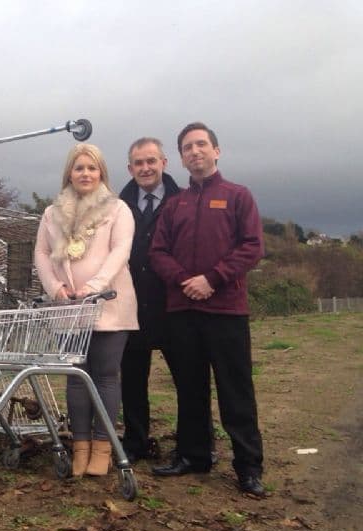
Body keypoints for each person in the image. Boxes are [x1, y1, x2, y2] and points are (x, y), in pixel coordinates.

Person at [149, 122, 265, 496]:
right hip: (183, 312)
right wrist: (186, 280)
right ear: (181, 158)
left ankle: (248, 467)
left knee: (236, 391)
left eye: (201, 144)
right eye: (187, 147)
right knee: (190, 388)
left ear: (217, 151)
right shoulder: (174, 204)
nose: (194, 151)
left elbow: (251, 247)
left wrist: (212, 279)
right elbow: (158, 253)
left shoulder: (238, 196)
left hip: (227, 312)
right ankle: (193, 455)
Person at [34, 143, 138, 477]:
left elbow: (120, 250)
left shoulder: (118, 209)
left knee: (105, 376)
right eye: (79, 168)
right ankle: (79, 446)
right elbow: (41, 252)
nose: (85, 174)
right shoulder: (52, 213)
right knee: (76, 379)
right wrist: (56, 288)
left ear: (101, 173)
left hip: (108, 303)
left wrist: (95, 286)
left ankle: (103, 446)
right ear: (70, 173)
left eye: (92, 168)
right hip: (67, 307)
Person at [118, 138, 180, 464]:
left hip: (173, 306)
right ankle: (136, 442)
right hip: (131, 305)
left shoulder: (182, 201)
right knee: (132, 381)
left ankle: (194, 441)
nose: (145, 168)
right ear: (130, 168)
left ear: (164, 162)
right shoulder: (118, 205)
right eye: (139, 163)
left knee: (187, 379)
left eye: (151, 161)